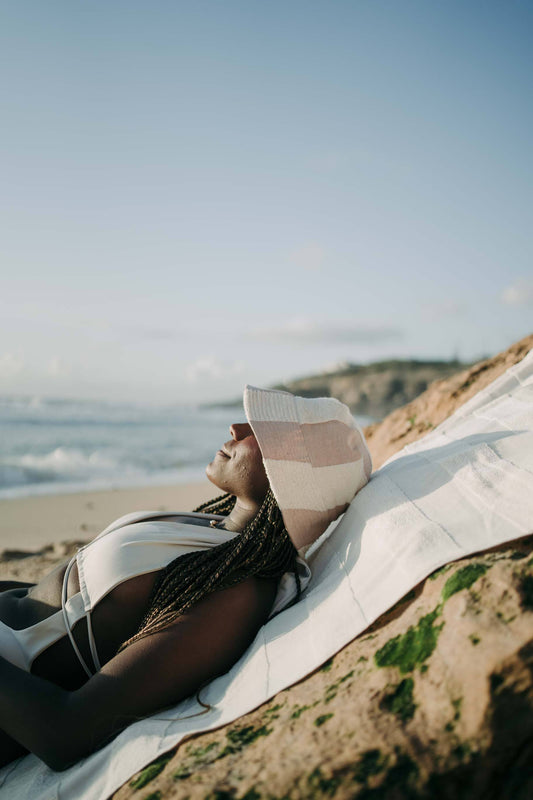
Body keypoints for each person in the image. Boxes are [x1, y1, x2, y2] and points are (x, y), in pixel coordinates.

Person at [0, 385, 372, 771]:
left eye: (260, 432)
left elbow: (68, 731)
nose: (235, 428)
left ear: (290, 475)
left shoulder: (237, 590)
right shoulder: (215, 530)